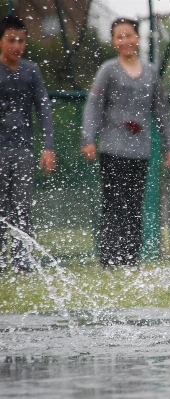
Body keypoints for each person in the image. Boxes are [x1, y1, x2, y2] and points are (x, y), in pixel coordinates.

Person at [81, 18, 170, 267]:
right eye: (119, 36)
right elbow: (94, 105)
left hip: (140, 150)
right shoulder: (108, 70)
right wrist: (88, 137)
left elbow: (162, 111)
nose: (125, 40)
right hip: (112, 148)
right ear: (114, 41)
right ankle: (110, 259)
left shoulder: (151, 72)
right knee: (113, 202)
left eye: (129, 35)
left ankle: (130, 259)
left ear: (137, 38)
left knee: (134, 204)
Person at [0, 15, 56, 271]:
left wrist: (48, 146)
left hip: (22, 148)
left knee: (22, 206)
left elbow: (43, 109)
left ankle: (23, 261)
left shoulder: (31, 71)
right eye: (12, 39)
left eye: (21, 40)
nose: (17, 45)